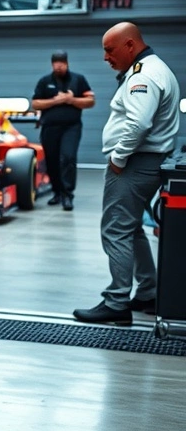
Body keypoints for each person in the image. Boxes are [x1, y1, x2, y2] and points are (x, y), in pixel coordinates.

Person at [74, 22, 180, 326]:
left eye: (110, 49)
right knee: (131, 229)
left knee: (116, 230)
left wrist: (118, 159)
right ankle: (147, 292)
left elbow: (138, 124)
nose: (106, 57)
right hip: (146, 161)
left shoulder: (143, 75)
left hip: (135, 164)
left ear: (130, 45)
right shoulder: (153, 68)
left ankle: (116, 301)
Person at [32, 50, 95, 211]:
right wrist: (55, 101)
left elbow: (90, 101)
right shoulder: (45, 81)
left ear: (67, 63)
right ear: (52, 64)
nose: (59, 66)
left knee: (68, 158)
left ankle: (68, 195)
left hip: (71, 127)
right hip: (50, 127)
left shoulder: (78, 80)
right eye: (56, 63)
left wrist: (71, 100)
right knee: (52, 161)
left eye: (62, 63)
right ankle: (57, 193)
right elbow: (35, 104)